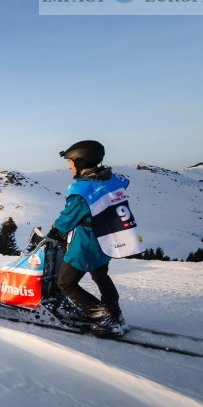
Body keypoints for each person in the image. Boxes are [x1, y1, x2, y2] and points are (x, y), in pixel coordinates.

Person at [51, 140, 127, 336]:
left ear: (81, 161)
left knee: (66, 283)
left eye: (70, 162)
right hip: (108, 239)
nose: (69, 167)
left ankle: (103, 317)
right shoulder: (111, 179)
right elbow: (123, 183)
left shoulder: (82, 191)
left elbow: (67, 220)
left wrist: (54, 231)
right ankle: (115, 313)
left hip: (88, 243)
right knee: (100, 274)